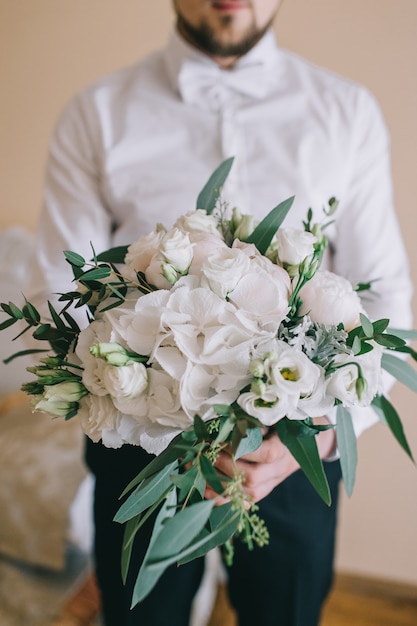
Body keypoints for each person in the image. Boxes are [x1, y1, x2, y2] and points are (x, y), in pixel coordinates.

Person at [28, 1, 413, 625]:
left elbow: (386, 300)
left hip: (294, 450)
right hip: (138, 454)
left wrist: (312, 437)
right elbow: (54, 290)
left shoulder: (346, 113)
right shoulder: (95, 113)